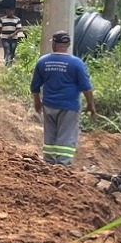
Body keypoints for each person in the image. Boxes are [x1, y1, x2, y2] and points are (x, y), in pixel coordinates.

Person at [30, 29, 95, 165]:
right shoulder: (77, 63)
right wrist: (91, 105)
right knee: (66, 136)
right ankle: (63, 164)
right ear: (68, 45)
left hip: (49, 105)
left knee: (50, 135)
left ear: (54, 43)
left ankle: (49, 162)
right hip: (69, 107)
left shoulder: (43, 62)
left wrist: (37, 102)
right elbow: (86, 87)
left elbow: (35, 86)